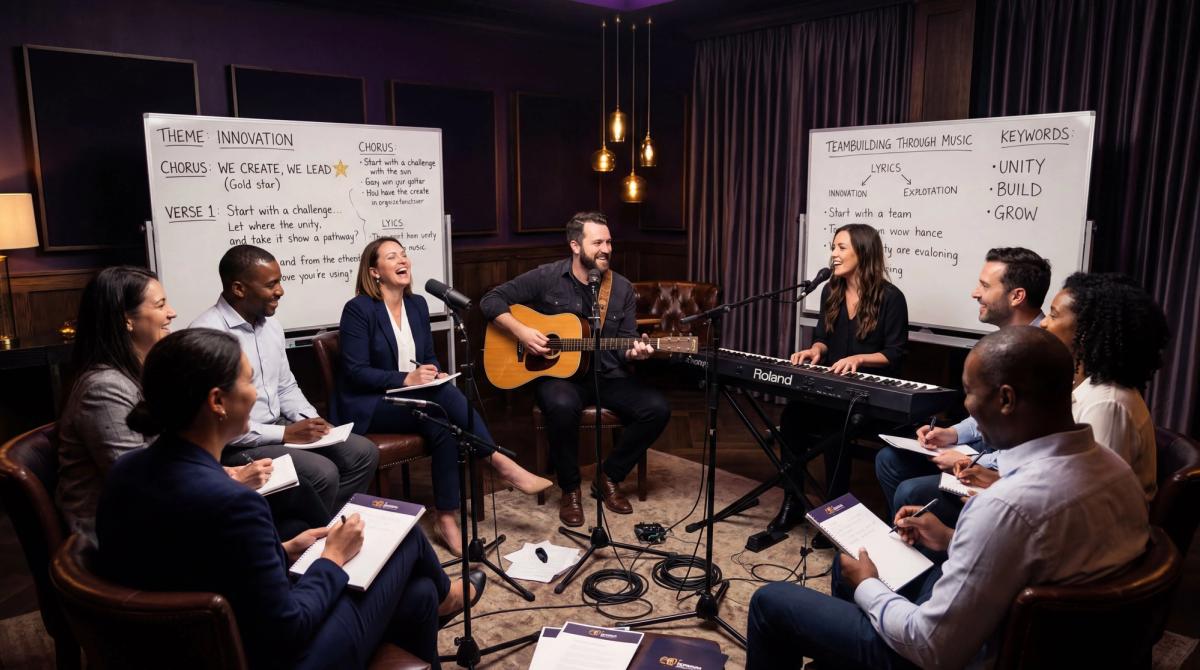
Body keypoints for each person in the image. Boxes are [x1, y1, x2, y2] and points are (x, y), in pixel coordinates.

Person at [746, 326, 1149, 670]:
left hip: (959, 657)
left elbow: (931, 647)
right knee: (846, 566)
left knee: (772, 601)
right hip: (1059, 644)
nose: (966, 406)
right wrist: (950, 539)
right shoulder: (1116, 469)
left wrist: (868, 586)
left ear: (1006, 399)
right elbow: (1041, 556)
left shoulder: (1005, 505)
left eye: (970, 393)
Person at [96, 328, 483, 669]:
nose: (254, 393)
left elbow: (193, 562)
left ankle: (440, 598)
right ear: (217, 402)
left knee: (417, 596)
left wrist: (283, 549)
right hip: (269, 657)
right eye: (248, 381)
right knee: (406, 538)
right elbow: (289, 628)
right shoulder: (234, 502)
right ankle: (449, 595)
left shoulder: (125, 472)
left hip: (174, 651)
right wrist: (332, 558)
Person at [56, 266, 324, 542]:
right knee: (289, 521)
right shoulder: (104, 388)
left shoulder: (141, 371)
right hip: (130, 535)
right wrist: (232, 480)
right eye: (160, 305)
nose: (172, 313)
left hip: (170, 506)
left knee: (297, 502)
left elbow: (168, 461)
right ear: (127, 320)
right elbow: (139, 486)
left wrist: (228, 473)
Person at [334, 237, 551, 554]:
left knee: (442, 419)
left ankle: (446, 517)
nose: (402, 260)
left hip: (413, 398)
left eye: (404, 254)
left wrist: (432, 371)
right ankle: (499, 461)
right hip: (370, 403)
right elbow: (355, 372)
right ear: (374, 271)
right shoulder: (358, 310)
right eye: (392, 256)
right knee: (444, 401)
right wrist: (405, 378)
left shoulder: (417, 305)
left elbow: (427, 357)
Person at [480, 211, 668, 527]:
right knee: (561, 405)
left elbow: (625, 342)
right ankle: (570, 489)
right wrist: (522, 332)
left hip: (608, 375)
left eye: (609, 242)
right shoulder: (547, 277)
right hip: (560, 377)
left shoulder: (621, 288)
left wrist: (635, 353)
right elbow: (490, 300)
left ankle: (609, 476)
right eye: (598, 243)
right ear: (575, 246)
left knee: (657, 409)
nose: (606, 249)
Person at [191, 245, 379, 514]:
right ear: (239, 289)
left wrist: (311, 420)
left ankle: (328, 523)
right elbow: (217, 421)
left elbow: (285, 386)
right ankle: (310, 534)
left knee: (363, 453)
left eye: (279, 282)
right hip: (232, 444)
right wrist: (285, 434)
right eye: (271, 284)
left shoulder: (271, 326)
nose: (280, 291)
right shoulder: (207, 335)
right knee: (322, 472)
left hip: (278, 426)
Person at [951, 272, 1169, 501]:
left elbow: (1089, 497)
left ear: (1085, 332)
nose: (1044, 322)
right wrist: (997, 480)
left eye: (1054, 315)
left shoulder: (1106, 403)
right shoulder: (1081, 383)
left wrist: (994, 499)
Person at [874, 247, 1051, 525]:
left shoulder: (1043, 352)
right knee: (890, 460)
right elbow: (991, 415)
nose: (974, 293)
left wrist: (971, 462)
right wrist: (951, 434)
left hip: (1010, 472)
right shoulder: (1005, 341)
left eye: (985, 286)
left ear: (1017, 296)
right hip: (987, 453)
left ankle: (943, 543)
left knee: (911, 491)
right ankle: (913, 539)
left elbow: (1032, 446)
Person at [770, 223, 908, 534]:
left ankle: (835, 514)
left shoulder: (891, 297)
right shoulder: (831, 291)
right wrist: (815, 350)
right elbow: (823, 338)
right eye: (833, 247)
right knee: (792, 417)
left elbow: (895, 353)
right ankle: (793, 500)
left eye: (841, 247)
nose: (834, 254)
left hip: (870, 395)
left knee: (837, 426)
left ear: (863, 252)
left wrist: (860, 359)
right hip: (834, 389)